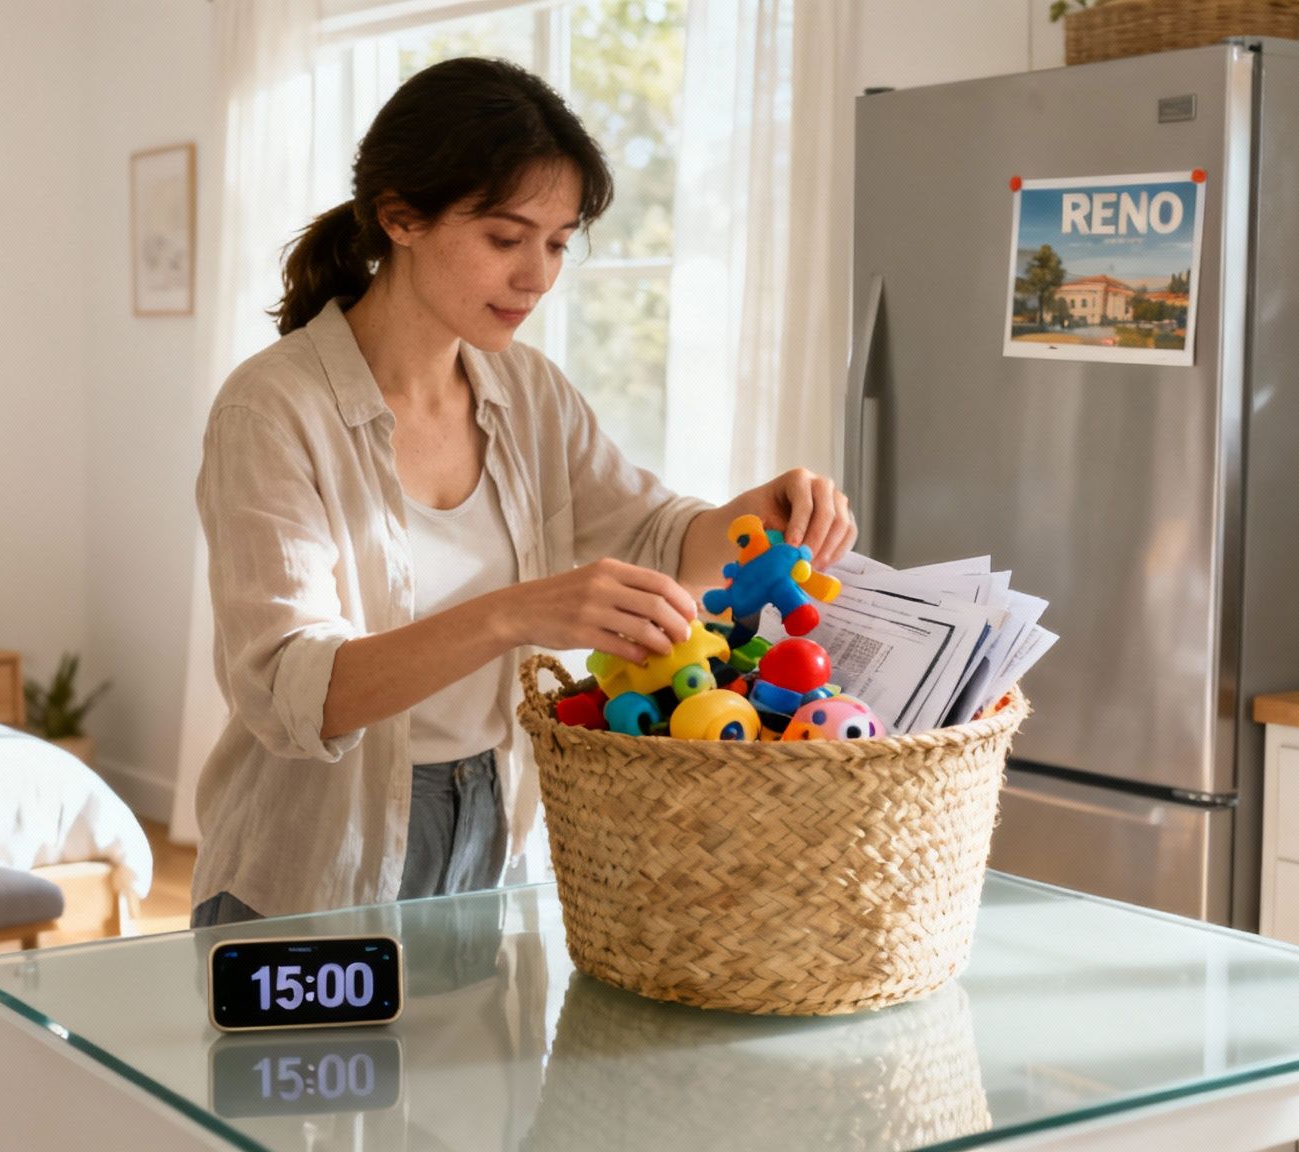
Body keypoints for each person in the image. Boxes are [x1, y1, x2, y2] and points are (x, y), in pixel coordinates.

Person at [190, 57, 855, 928]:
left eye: (557, 241)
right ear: (400, 217)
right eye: (507, 239)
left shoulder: (527, 391)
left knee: (469, 1068)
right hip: (314, 857)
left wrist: (751, 517)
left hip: (490, 826)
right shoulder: (272, 409)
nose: (537, 276)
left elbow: (658, 533)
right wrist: (513, 614)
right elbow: (287, 690)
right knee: (336, 1070)